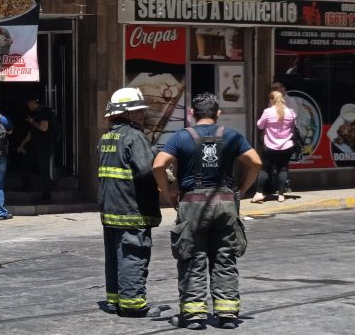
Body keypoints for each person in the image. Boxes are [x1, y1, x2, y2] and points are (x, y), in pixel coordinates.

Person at [152, 92, 262, 330]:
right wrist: (240, 190)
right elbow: (256, 162)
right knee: (225, 257)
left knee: (192, 257)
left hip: (192, 205)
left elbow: (158, 164)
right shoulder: (232, 136)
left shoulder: (180, 137)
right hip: (225, 203)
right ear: (218, 113)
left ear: (192, 114)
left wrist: (166, 192)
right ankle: (227, 314)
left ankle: (194, 315)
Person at [96, 87, 164, 318]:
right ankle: (133, 304)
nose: (141, 115)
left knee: (115, 256)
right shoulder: (134, 137)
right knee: (133, 254)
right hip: (132, 209)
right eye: (138, 111)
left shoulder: (106, 137)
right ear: (127, 113)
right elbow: (147, 170)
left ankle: (115, 300)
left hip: (111, 209)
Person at [254, 91, 296, 203]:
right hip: (287, 146)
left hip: (270, 145)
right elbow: (293, 127)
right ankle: (281, 195)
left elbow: (260, 125)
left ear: (271, 100)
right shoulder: (290, 112)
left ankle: (259, 193)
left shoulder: (268, 112)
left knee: (265, 169)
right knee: (283, 168)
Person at [16, 96, 58, 186]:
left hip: (44, 146)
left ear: (33, 102)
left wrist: (32, 122)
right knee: (26, 161)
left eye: (28, 104)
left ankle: (46, 196)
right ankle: (25, 187)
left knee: (44, 170)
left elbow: (43, 128)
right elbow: (31, 133)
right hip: (37, 146)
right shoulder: (37, 113)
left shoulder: (44, 111)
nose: (28, 106)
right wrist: (22, 145)